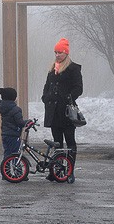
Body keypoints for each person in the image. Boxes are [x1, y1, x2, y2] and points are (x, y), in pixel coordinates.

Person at [41, 37, 83, 181]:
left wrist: (68, 98)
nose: (57, 55)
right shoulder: (52, 69)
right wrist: (45, 97)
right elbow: (47, 86)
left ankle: (70, 171)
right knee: (56, 142)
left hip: (66, 113)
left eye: (59, 52)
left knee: (70, 141)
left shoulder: (73, 69)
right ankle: (56, 171)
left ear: (66, 53)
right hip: (53, 112)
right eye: (55, 52)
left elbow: (78, 88)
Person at [0, 87, 27, 158]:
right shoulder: (16, 109)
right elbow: (20, 122)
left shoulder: (2, 108)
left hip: (5, 134)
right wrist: (27, 122)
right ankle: (17, 168)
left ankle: (5, 167)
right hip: (14, 135)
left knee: (7, 153)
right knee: (15, 153)